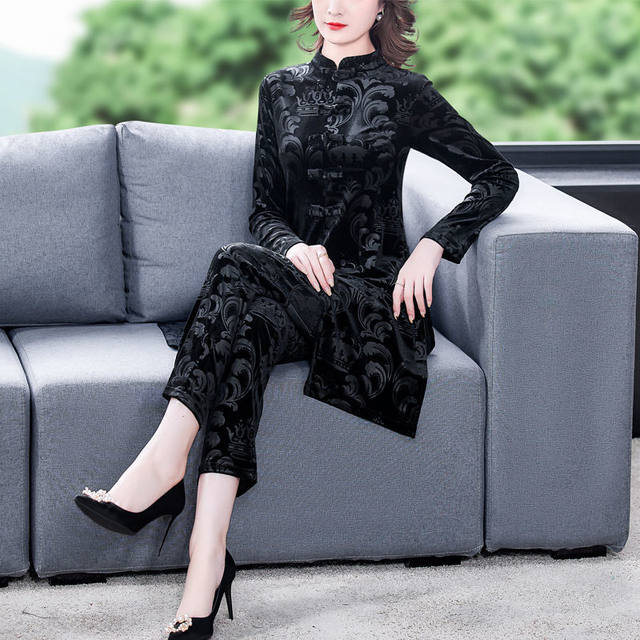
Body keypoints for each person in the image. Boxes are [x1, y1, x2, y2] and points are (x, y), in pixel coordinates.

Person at [74, 1, 519, 637]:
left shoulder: (407, 93)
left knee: (232, 266)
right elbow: (264, 209)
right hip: (297, 290)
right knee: (245, 329)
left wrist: (433, 246)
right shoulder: (278, 89)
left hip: (372, 301)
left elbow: (496, 175)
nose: (336, 6)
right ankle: (206, 560)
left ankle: (164, 472)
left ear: (382, 5)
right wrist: (292, 247)